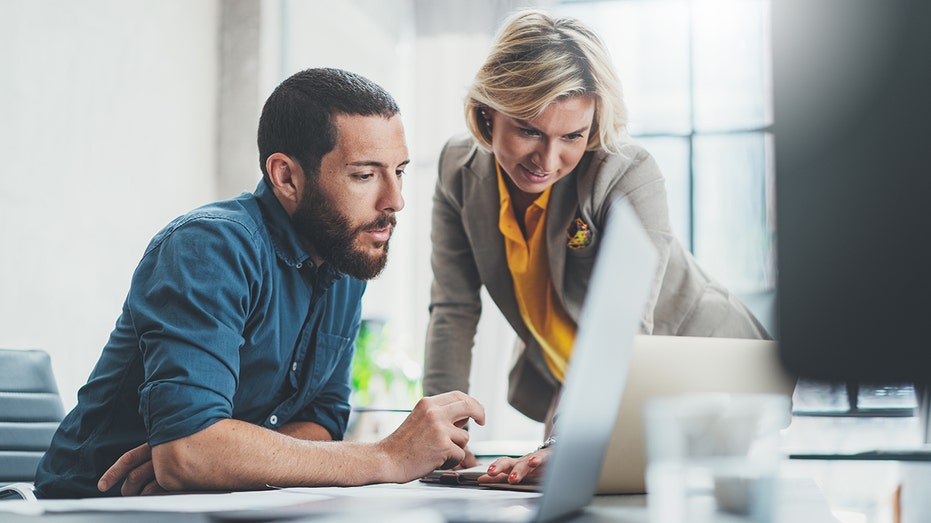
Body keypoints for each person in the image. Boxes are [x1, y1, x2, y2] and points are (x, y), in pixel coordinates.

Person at [34, 67, 484, 499]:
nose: (395, 200)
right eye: (365, 175)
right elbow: (188, 453)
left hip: (220, 505)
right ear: (286, 176)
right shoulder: (209, 247)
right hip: (92, 507)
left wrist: (223, 459)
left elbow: (321, 421)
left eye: (399, 171)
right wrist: (385, 457)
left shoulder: (344, 257)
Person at [422, 9, 768, 485]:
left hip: (701, 374)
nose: (548, 159)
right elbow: (453, 310)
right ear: (488, 112)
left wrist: (567, 440)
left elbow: (622, 333)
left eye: (573, 136)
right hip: (581, 386)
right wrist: (440, 435)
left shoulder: (625, 173)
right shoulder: (456, 171)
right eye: (529, 130)